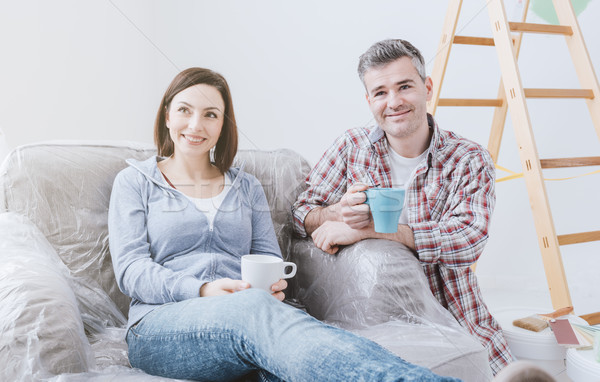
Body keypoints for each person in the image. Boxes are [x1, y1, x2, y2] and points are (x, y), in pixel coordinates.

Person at [108, 67, 460, 381]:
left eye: (210, 114)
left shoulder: (246, 187)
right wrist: (203, 291)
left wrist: (273, 287)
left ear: (222, 125)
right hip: (160, 326)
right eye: (185, 110)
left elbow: (267, 258)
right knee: (258, 316)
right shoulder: (134, 182)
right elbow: (132, 271)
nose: (196, 125)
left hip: (248, 317)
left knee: (294, 359)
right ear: (167, 114)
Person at [292, 39, 514, 376]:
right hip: (372, 324)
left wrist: (365, 230)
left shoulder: (467, 159)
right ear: (369, 101)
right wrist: (337, 211)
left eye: (404, 86)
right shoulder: (351, 147)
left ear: (427, 87)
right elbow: (301, 211)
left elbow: (468, 239)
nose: (393, 102)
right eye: (380, 92)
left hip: (457, 316)